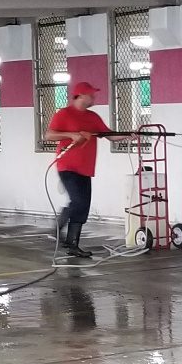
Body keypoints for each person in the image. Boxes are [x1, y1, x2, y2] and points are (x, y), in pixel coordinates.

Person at [43, 81, 121, 258]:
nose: (94, 97)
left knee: (82, 206)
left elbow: (110, 135)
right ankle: (57, 228)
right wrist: (71, 134)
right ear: (81, 95)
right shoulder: (64, 114)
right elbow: (48, 135)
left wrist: (129, 134)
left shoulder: (93, 117)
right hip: (67, 166)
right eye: (91, 94)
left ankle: (73, 244)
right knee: (78, 201)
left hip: (86, 169)